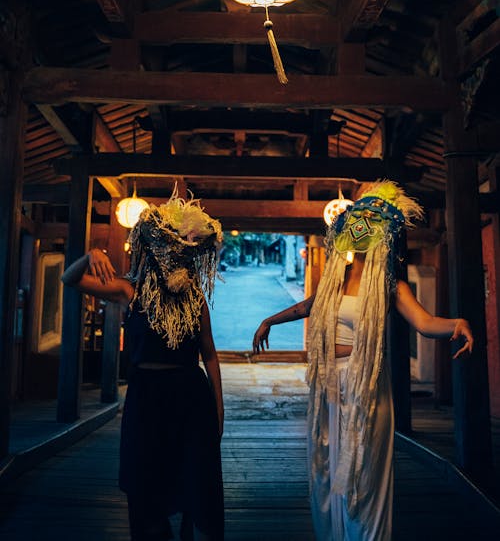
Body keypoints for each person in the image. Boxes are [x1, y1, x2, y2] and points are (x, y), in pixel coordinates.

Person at [252, 180, 473, 541]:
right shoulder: (333, 280)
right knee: (327, 467)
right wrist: (269, 321)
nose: (360, 234)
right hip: (329, 384)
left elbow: (424, 322)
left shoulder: (390, 285)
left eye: (369, 227)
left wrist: (456, 323)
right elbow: (307, 306)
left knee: (362, 472)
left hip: (363, 384)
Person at [62, 189, 225, 541]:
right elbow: (70, 280)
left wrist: (219, 411)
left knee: (193, 482)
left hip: (190, 396)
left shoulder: (195, 300)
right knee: (144, 481)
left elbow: (210, 357)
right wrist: (91, 254)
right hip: (146, 397)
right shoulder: (129, 293)